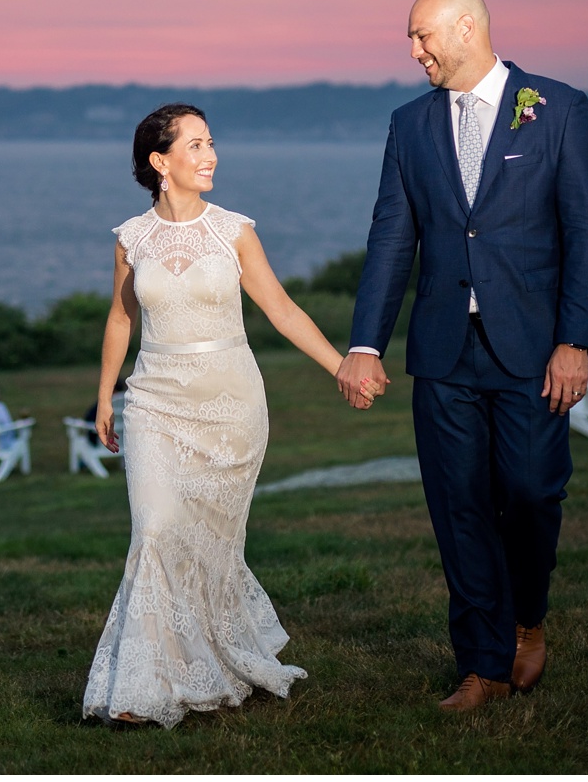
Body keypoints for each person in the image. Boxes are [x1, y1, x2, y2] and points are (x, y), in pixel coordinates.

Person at [335, 0, 588, 712]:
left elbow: (585, 233)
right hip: (443, 352)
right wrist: (366, 343)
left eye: (422, 36)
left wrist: (575, 341)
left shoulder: (558, 109)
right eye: (411, 40)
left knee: (529, 492)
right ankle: (480, 665)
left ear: (467, 27)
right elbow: (393, 240)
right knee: (458, 506)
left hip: (533, 350)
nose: (415, 50)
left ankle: (528, 617)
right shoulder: (409, 124)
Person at [81, 103, 363, 729]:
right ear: (161, 162)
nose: (211, 156)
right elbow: (122, 318)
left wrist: (340, 364)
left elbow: (282, 310)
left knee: (209, 544)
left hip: (231, 404)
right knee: (155, 530)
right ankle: (143, 688)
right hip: (154, 399)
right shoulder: (132, 238)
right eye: (197, 145)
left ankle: (213, 658)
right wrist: (106, 394)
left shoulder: (233, 230)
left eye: (212, 143)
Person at [83, 378, 127, 447]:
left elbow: (88, 418)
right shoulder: (126, 403)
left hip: (100, 442)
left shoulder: (102, 406)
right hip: (123, 442)